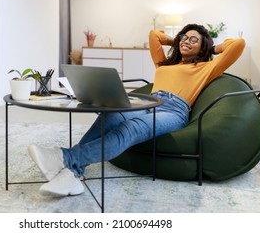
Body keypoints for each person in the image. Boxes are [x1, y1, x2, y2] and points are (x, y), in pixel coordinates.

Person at [28, 23, 245, 196]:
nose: (186, 41)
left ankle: (64, 157)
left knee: (131, 128)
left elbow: (238, 44)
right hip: (150, 101)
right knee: (111, 117)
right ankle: (74, 174)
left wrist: (210, 47)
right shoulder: (164, 64)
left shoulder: (207, 67)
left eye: (193, 39)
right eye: (184, 38)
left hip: (174, 111)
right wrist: (180, 39)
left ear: (203, 46)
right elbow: (154, 35)